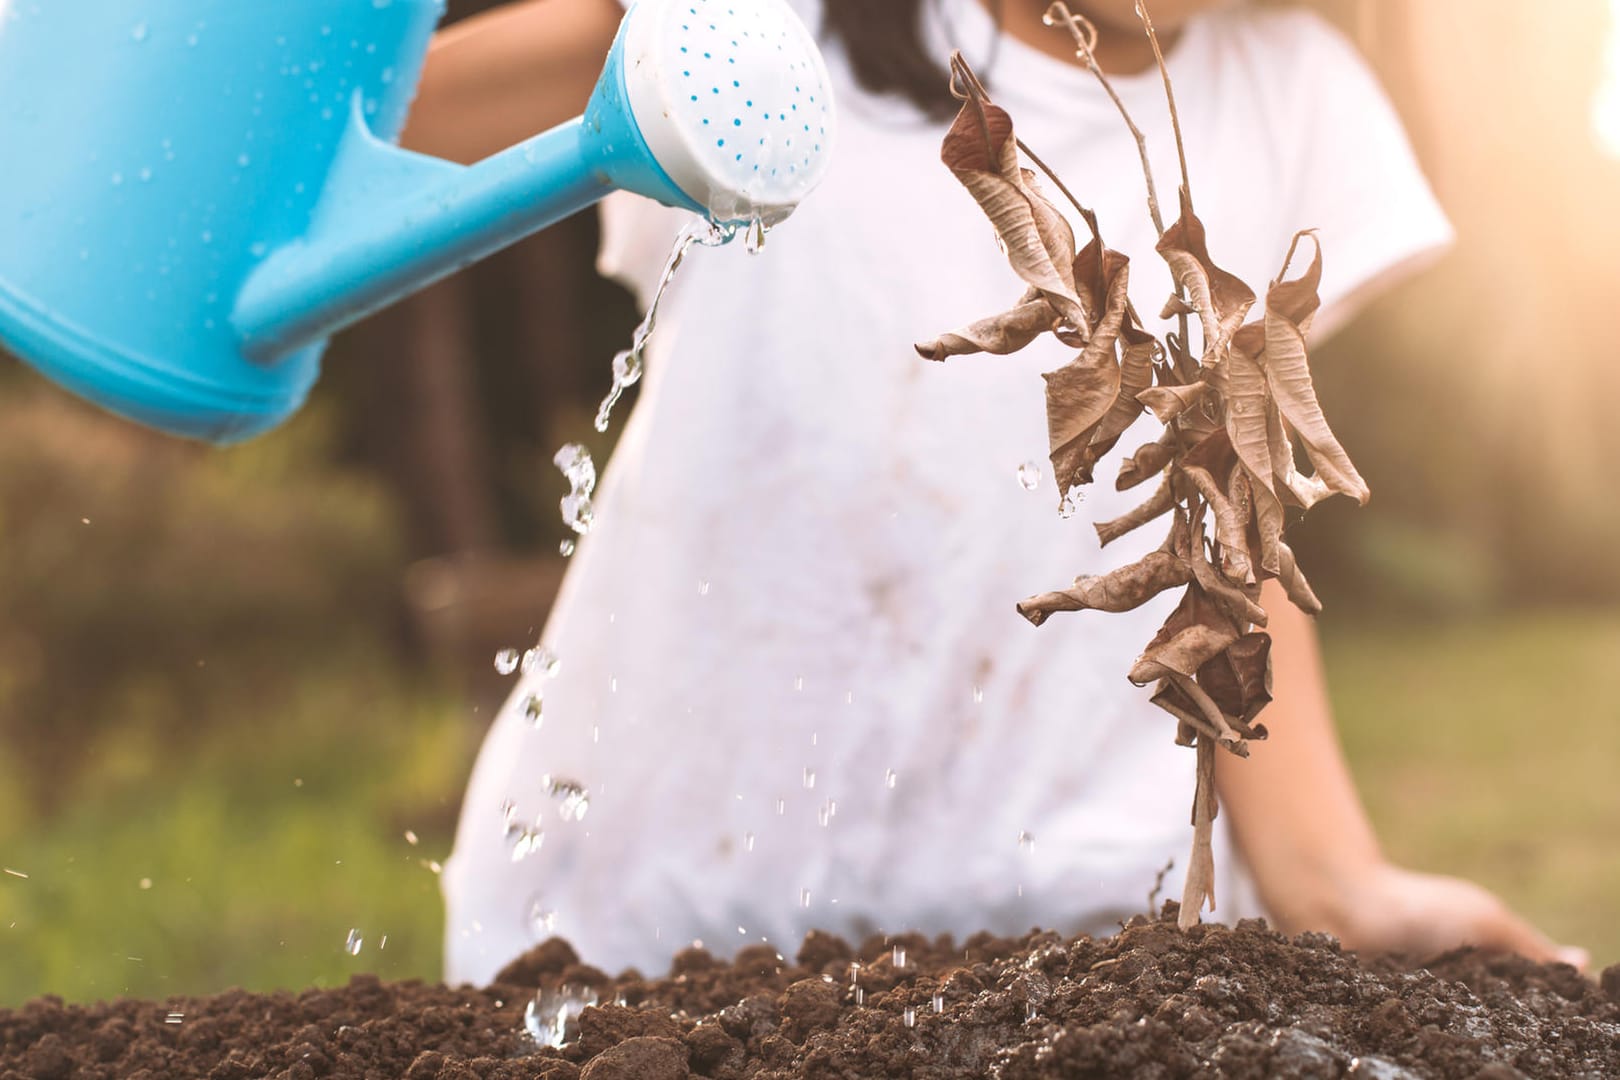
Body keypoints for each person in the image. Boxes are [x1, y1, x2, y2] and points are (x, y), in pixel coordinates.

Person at [405, 0, 1587, 984]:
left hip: (1082, 967)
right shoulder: (767, 28)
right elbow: (359, 143)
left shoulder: (1294, 94)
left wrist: (1335, 879)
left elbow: (1232, 522)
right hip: (638, 947)